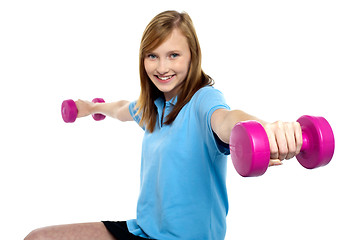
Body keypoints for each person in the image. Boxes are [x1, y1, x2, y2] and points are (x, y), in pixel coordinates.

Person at [25, 10, 302, 240]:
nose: (161, 67)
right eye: (152, 55)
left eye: (173, 55)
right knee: (36, 238)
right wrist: (91, 108)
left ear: (192, 56)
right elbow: (122, 108)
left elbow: (227, 119)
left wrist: (267, 130)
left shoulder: (203, 100)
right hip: (141, 231)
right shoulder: (151, 105)